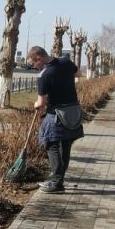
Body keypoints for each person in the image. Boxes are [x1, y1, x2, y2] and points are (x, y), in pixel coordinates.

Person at [27, 45, 84, 193]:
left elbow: (41, 103)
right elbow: (79, 74)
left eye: (33, 64)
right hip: (73, 111)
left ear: (39, 58)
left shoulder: (44, 75)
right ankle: (58, 179)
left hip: (57, 114)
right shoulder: (65, 62)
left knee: (51, 144)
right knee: (66, 145)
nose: (34, 67)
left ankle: (57, 183)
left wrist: (35, 105)